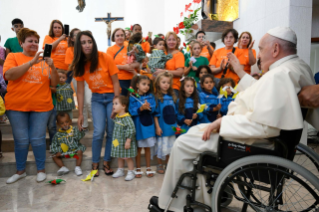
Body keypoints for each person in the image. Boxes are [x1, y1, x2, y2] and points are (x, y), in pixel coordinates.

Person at [157, 27, 319, 211]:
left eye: (261, 49)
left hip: (253, 142)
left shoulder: (279, 74)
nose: (258, 55)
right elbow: (264, 93)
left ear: (275, 49)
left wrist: (222, 123)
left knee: (184, 142)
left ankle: (172, 205)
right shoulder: (295, 67)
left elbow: (264, 125)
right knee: (195, 132)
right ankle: (203, 196)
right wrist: (240, 72)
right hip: (269, 142)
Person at [4, 28, 59, 184]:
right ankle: (20, 171)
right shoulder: (13, 56)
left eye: (36, 41)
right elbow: (8, 75)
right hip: (16, 107)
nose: (34, 44)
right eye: (30, 41)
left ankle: (41, 170)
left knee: (38, 139)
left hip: (42, 106)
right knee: (21, 140)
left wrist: (53, 67)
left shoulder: (45, 60)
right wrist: (31, 62)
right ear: (22, 43)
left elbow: (54, 83)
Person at [71, 31, 120, 177]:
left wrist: (116, 102)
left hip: (111, 97)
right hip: (97, 99)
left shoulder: (105, 57)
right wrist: (80, 113)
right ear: (79, 45)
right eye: (83, 42)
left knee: (111, 131)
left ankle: (106, 162)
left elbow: (116, 81)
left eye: (89, 41)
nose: (87, 45)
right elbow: (79, 92)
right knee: (98, 132)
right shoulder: (80, 64)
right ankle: (95, 163)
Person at [128, 75, 157, 178]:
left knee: (148, 148)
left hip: (149, 127)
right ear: (137, 85)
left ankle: (148, 168)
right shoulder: (133, 97)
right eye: (144, 84)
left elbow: (154, 109)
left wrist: (148, 107)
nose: (146, 87)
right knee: (139, 149)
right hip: (139, 127)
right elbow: (131, 111)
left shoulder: (150, 97)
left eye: (148, 85)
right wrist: (140, 108)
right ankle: (138, 168)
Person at [66, 29, 92, 132]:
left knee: (89, 101)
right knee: (82, 102)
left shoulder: (85, 47)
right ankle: (84, 125)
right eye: (75, 35)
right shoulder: (70, 50)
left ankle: (97, 123)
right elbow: (70, 66)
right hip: (77, 77)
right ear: (72, 38)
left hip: (89, 78)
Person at [153, 72, 177, 174]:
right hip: (162, 127)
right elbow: (155, 114)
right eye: (163, 82)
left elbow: (174, 113)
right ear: (158, 83)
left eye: (168, 82)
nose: (166, 84)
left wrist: (177, 125)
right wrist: (157, 127)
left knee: (170, 147)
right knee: (161, 147)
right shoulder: (157, 97)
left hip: (171, 128)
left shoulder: (173, 96)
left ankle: (168, 164)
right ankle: (159, 164)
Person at [50, 112, 86, 176]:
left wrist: (80, 131)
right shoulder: (57, 135)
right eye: (62, 123)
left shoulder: (74, 130)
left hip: (74, 153)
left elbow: (79, 137)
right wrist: (58, 151)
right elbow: (54, 145)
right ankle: (63, 167)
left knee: (80, 151)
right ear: (58, 124)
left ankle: (77, 167)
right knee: (54, 156)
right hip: (64, 154)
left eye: (66, 122)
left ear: (70, 121)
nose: (65, 124)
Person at [111, 96, 137, 181]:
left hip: (125, 142)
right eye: (113, 104)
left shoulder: (127, 118)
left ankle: (131, 171)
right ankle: (120, 170)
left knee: (128, 157)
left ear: (123, 106)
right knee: (119, 156)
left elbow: (131, 129)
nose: (113, 106)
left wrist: (128, 141)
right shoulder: (118, 117)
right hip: (118, 142)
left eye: (116, 103)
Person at [153, 32, 185, 96]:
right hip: (159, 87)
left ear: (176, 42)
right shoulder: (162, 53)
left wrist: (164, 71)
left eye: (174, 40)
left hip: (173, 87)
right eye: (169, 40)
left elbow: (180, 72)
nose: (171, 42)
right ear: (165, 41)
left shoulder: (179, 54)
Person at [107, 28, 136, 96]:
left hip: (132, 79)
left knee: (132, 102)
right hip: (119, 80)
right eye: (117, 36)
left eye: (122, 35)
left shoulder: (130, 47)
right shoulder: (110, 50)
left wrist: (133, 65)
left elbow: (138, 60)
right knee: (122, 102)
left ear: (124, 37)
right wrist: (124, 67)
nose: (120, 37)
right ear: (114, 38)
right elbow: (109, 66)